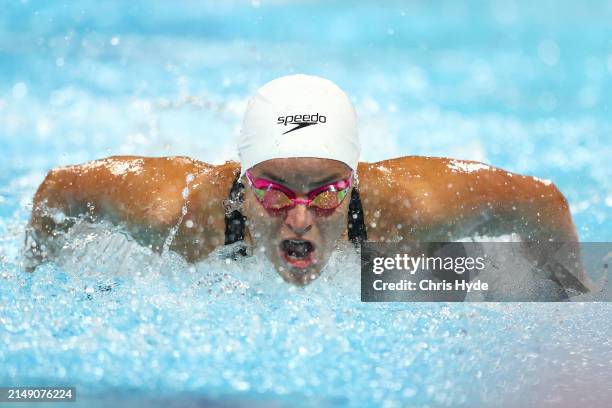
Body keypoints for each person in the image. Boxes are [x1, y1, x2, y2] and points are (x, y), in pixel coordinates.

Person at [26, 74, 590, 292]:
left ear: (351, 183)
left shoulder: (405, 213)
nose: (299, 219)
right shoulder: (177, 214)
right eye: (274, 194)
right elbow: (60, 190)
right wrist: (37, 275)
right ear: (244, 184)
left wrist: (569, 297)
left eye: (324, 195)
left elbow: (543, 202)